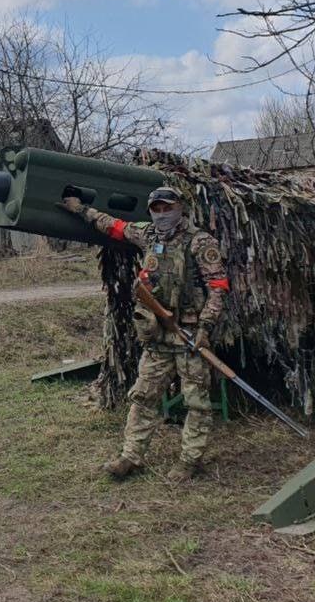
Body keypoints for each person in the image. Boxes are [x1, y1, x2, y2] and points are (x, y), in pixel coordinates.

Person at [62, 185, 230, 483]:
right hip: (157, 334)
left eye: (169, 208)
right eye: (157, 209)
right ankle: (131, 456)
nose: (163, 214)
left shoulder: (200, 241)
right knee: (143, 396)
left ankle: (190, 461)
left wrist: (205, 328)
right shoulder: (148, 234)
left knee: (196, 402)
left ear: (181, 208)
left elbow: (218, 287)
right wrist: (81, 210)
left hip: (190, 334)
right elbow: (113, 226)